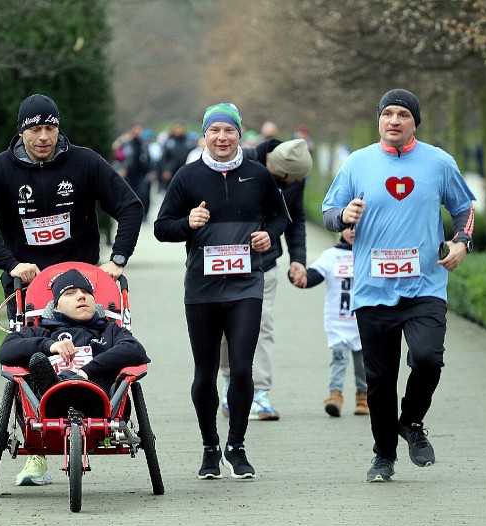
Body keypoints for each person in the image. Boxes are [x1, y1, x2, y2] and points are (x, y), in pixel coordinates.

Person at [321, 88, 476, 482]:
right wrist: (344, 214)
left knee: (427, 358)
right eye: (387, 113)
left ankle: (411, 422)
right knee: (380, 379)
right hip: (373, 288)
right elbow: (327, 213)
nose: (394, 120)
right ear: (379, 120)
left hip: (425, 284)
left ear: (414, 123)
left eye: (402, 115)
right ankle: (383, 456)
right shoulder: (357, 163)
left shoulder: (439, 162)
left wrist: (462, 243)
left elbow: (464, 209)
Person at [154, 102, 288, 480]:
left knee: (242, 369)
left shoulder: (259, 175)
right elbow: (162, 227)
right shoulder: (188, 177)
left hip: (247, 285)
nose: (222, 137)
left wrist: (268, 236)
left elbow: (280, 216)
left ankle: (238, 446)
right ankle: (210, 447)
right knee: (205, 372)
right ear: (205, 135)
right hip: (202, 288)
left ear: (240, 134)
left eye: (229, 130)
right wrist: (187, 222)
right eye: (214, 130)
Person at [0, 94, 144, 322]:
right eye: (35, 129)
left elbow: (130, 206)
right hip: (26, 286)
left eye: (50, 128)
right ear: (21, 131)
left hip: (81, 283)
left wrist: (118, 258)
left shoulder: (85, 161)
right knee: (30, 354)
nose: (44, 137)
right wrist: (10, 264)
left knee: (88, 353)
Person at [0, 268, 150, 485]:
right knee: (38, 362)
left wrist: (89, 370)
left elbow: (136, 351)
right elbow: (6, 351)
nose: (81, 296)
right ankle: (57, 384)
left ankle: (69, 382)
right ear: (56, 305)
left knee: (93, 377)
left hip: (98, 399)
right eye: (70, 293)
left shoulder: (109, 331)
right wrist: (49, 346)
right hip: (48, 404)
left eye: (86, 292)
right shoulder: (42, 331)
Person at [217, 138, 313, 420]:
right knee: (225, 329)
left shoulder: (294, 177)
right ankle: (229, 383)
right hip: (225, 262)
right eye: (285, 181)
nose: (288, 186)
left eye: (296, 181)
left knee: (262, 325)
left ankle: (259, 393)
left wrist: (298, 259)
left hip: (264, 265)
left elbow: (296, 218)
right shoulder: (239, 163)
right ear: (274, 168)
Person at [291, 226, 367, 417]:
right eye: (348, 227)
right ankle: (335, 395)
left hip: (364, 322)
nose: (352, 231)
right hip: (339, 322)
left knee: (364, 364)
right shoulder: (331, 256)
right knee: (339, 360)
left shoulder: (370, 252)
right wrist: (300, 278)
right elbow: (313, 275)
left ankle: (363, 397)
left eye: (357, 227)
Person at [117, 122, 155, 223]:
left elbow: (149, 159)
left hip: (142, 174)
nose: (137, 132)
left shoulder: (144, 145)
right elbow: (119, 158)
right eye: (135, 129)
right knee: (129, 195)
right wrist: (121, 168)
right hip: (129, 174)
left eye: (139, 130)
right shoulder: (125, 145)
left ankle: (144, 214)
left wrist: (151, 171)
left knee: (143, 194)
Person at [160, 121, 195, 192]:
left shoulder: (189, 141)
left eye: (180, 128)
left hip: (186, 170)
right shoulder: (169, 141)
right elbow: (164, 158)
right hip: (172, 171)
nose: (178, 130)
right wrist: (166, 170)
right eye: (177, 128)